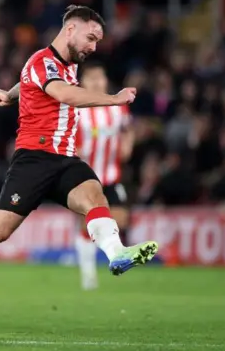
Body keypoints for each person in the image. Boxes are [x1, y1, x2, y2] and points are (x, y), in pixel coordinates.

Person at [0, 5, 158, 285]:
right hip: (34, 160)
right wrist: (115, 98)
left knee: (95, 197)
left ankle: (117, 253)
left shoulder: (63, 64)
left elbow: (29, 78)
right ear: (70, 29)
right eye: (91, 38)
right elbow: (65, 94)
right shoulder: (44, 62)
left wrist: (11, 94)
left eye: (97, 41)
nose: (94, 47)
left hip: (64, 159)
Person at [74, 62, 135, 290]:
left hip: (111, 176)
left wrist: (127, 145)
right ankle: (88, 274)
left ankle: (109, 258)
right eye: (92, 78)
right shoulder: (77, 109)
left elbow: (128, 128)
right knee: (87, 223)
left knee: (121, 219)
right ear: (83, 82)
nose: (97, 82)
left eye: (100, 77)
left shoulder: (118, 107)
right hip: (85, 176)